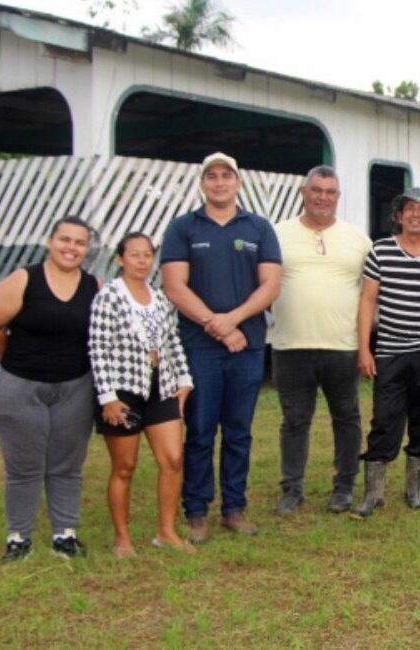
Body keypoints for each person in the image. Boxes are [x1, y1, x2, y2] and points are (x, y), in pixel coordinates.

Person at [161, 152, 282, 543]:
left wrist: (233, 320)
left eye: (226, 176)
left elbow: (271, 285)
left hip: (246, 347)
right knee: (199, 429)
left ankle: (234, 508)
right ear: (202, 184)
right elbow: (174, 286)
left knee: (238, 431)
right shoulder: (183, 228)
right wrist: (218, 325)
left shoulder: (259, 228)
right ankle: (196, 511)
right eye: (211, 176)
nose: (219, 182)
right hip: (199, 347)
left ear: (238, 183)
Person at [0, 216, 100, 561]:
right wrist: (15, 363)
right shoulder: (24, 279)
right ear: (50, 241)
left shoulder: (94, 286)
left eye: (79, 242)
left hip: (74, 387)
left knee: (67, 465)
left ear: (87, 249)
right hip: (21, 387)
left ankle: (65, 534)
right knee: (24, 467)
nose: (71, 248)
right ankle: (19, 537)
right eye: (65, 240)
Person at [350, 187, 420, 519]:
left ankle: (415, 491)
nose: (415, 214)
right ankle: (373, 494)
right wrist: (364, 349)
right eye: (409, 208)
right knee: (384, 419)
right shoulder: (381, 251)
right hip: (391, 351)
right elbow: (368, 301)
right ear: (398, 215)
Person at [271, 165, 372, 514]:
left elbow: (374, 292)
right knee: (295, 420)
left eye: (330, 192)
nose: (322, 197)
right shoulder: (278, 234)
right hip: (290, 345)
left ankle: (344, 487)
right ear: (304, 193)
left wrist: (368, 343)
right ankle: (292, 489)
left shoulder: (358, 239)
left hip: (342, 346)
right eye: (316, 190)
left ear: (338, 197)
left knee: (347, 417)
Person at [89, 232, 195, 557]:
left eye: (147, 255)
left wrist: (184, 378)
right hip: (123, 391)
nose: (141, 261)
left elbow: (172, 340)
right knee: (125, 466)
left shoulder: (160, 298)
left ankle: (166, 531)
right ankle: (123, 538)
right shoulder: (108, 297)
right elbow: (98, 348)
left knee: (174, 460)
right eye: (134, 254)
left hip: (160, 387)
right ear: (120, 259)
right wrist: (107, 396)